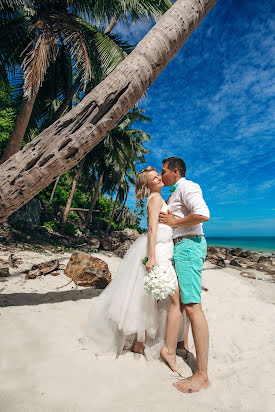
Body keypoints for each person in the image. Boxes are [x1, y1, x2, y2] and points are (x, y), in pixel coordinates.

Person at [84, 166, 187, 360]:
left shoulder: (160, 199)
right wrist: (152, 258)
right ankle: (153, 345)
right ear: (148, 185)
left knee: (150, 298)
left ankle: (140, 343)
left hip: (165, 249)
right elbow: (151, 230)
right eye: (154, 178)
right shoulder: (155, 199)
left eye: (158, 175)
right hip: (159, 251)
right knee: (168, 297)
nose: (158, 178)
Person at [159, 157, 210, 393]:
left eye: (164, 171)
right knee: (185, 302)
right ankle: (182, 343)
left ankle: (201, 375)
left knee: (192, 307)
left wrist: (175, 221)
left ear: (175, 172)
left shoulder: (187, 187)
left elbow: (203, 214)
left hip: (189, 247)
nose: (162, 175)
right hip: (183, 247)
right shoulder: (177, 191)